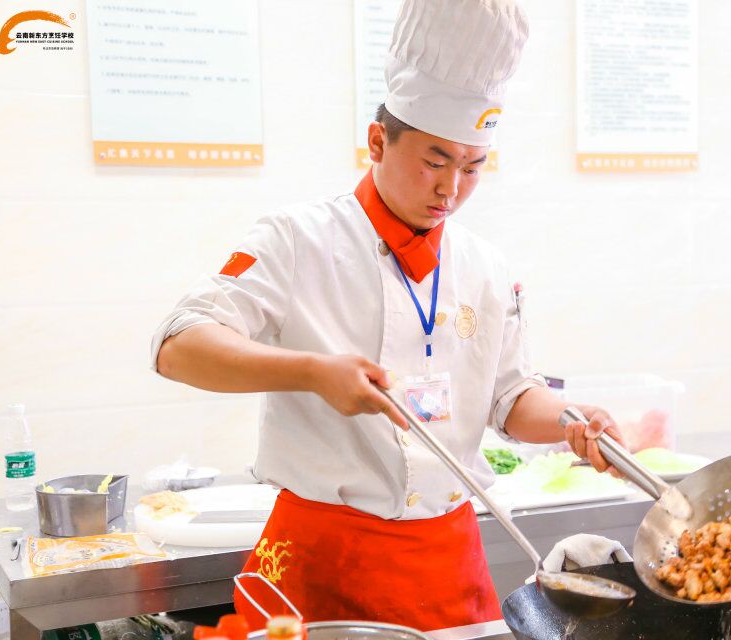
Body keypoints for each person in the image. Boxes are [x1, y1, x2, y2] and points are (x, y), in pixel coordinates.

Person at [151, 0, 664, 631]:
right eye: (435, 161)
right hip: (323, 559)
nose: (451, 188)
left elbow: (509, 397)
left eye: (473, 167)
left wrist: (569, 420)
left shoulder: (485, 264)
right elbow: (179, 345)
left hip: (448, 562)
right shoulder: (299, 238)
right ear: (377, 142)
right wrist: (312, 372)